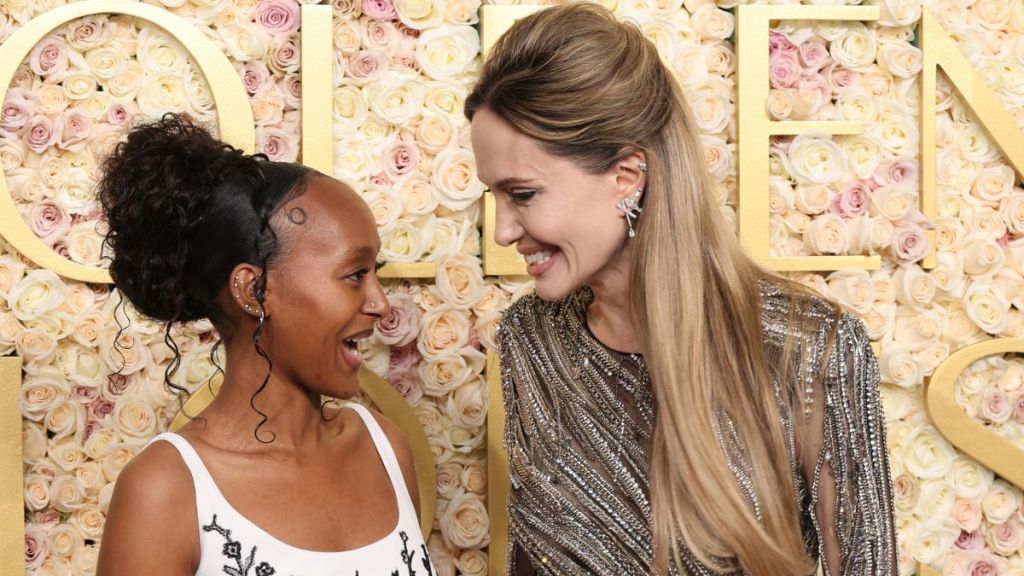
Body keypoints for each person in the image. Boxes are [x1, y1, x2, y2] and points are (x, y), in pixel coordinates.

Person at [466, 4, 896, 575]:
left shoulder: (810, 347)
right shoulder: (531, 340)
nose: (503, 230)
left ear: (627, 176)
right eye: (494, 197)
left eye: (522, 194)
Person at [96, 115, 433, 576]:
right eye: (356, 274)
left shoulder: (384, 447)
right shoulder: (166, 490)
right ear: (254, 291)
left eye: (376, 272)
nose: (380, 303)